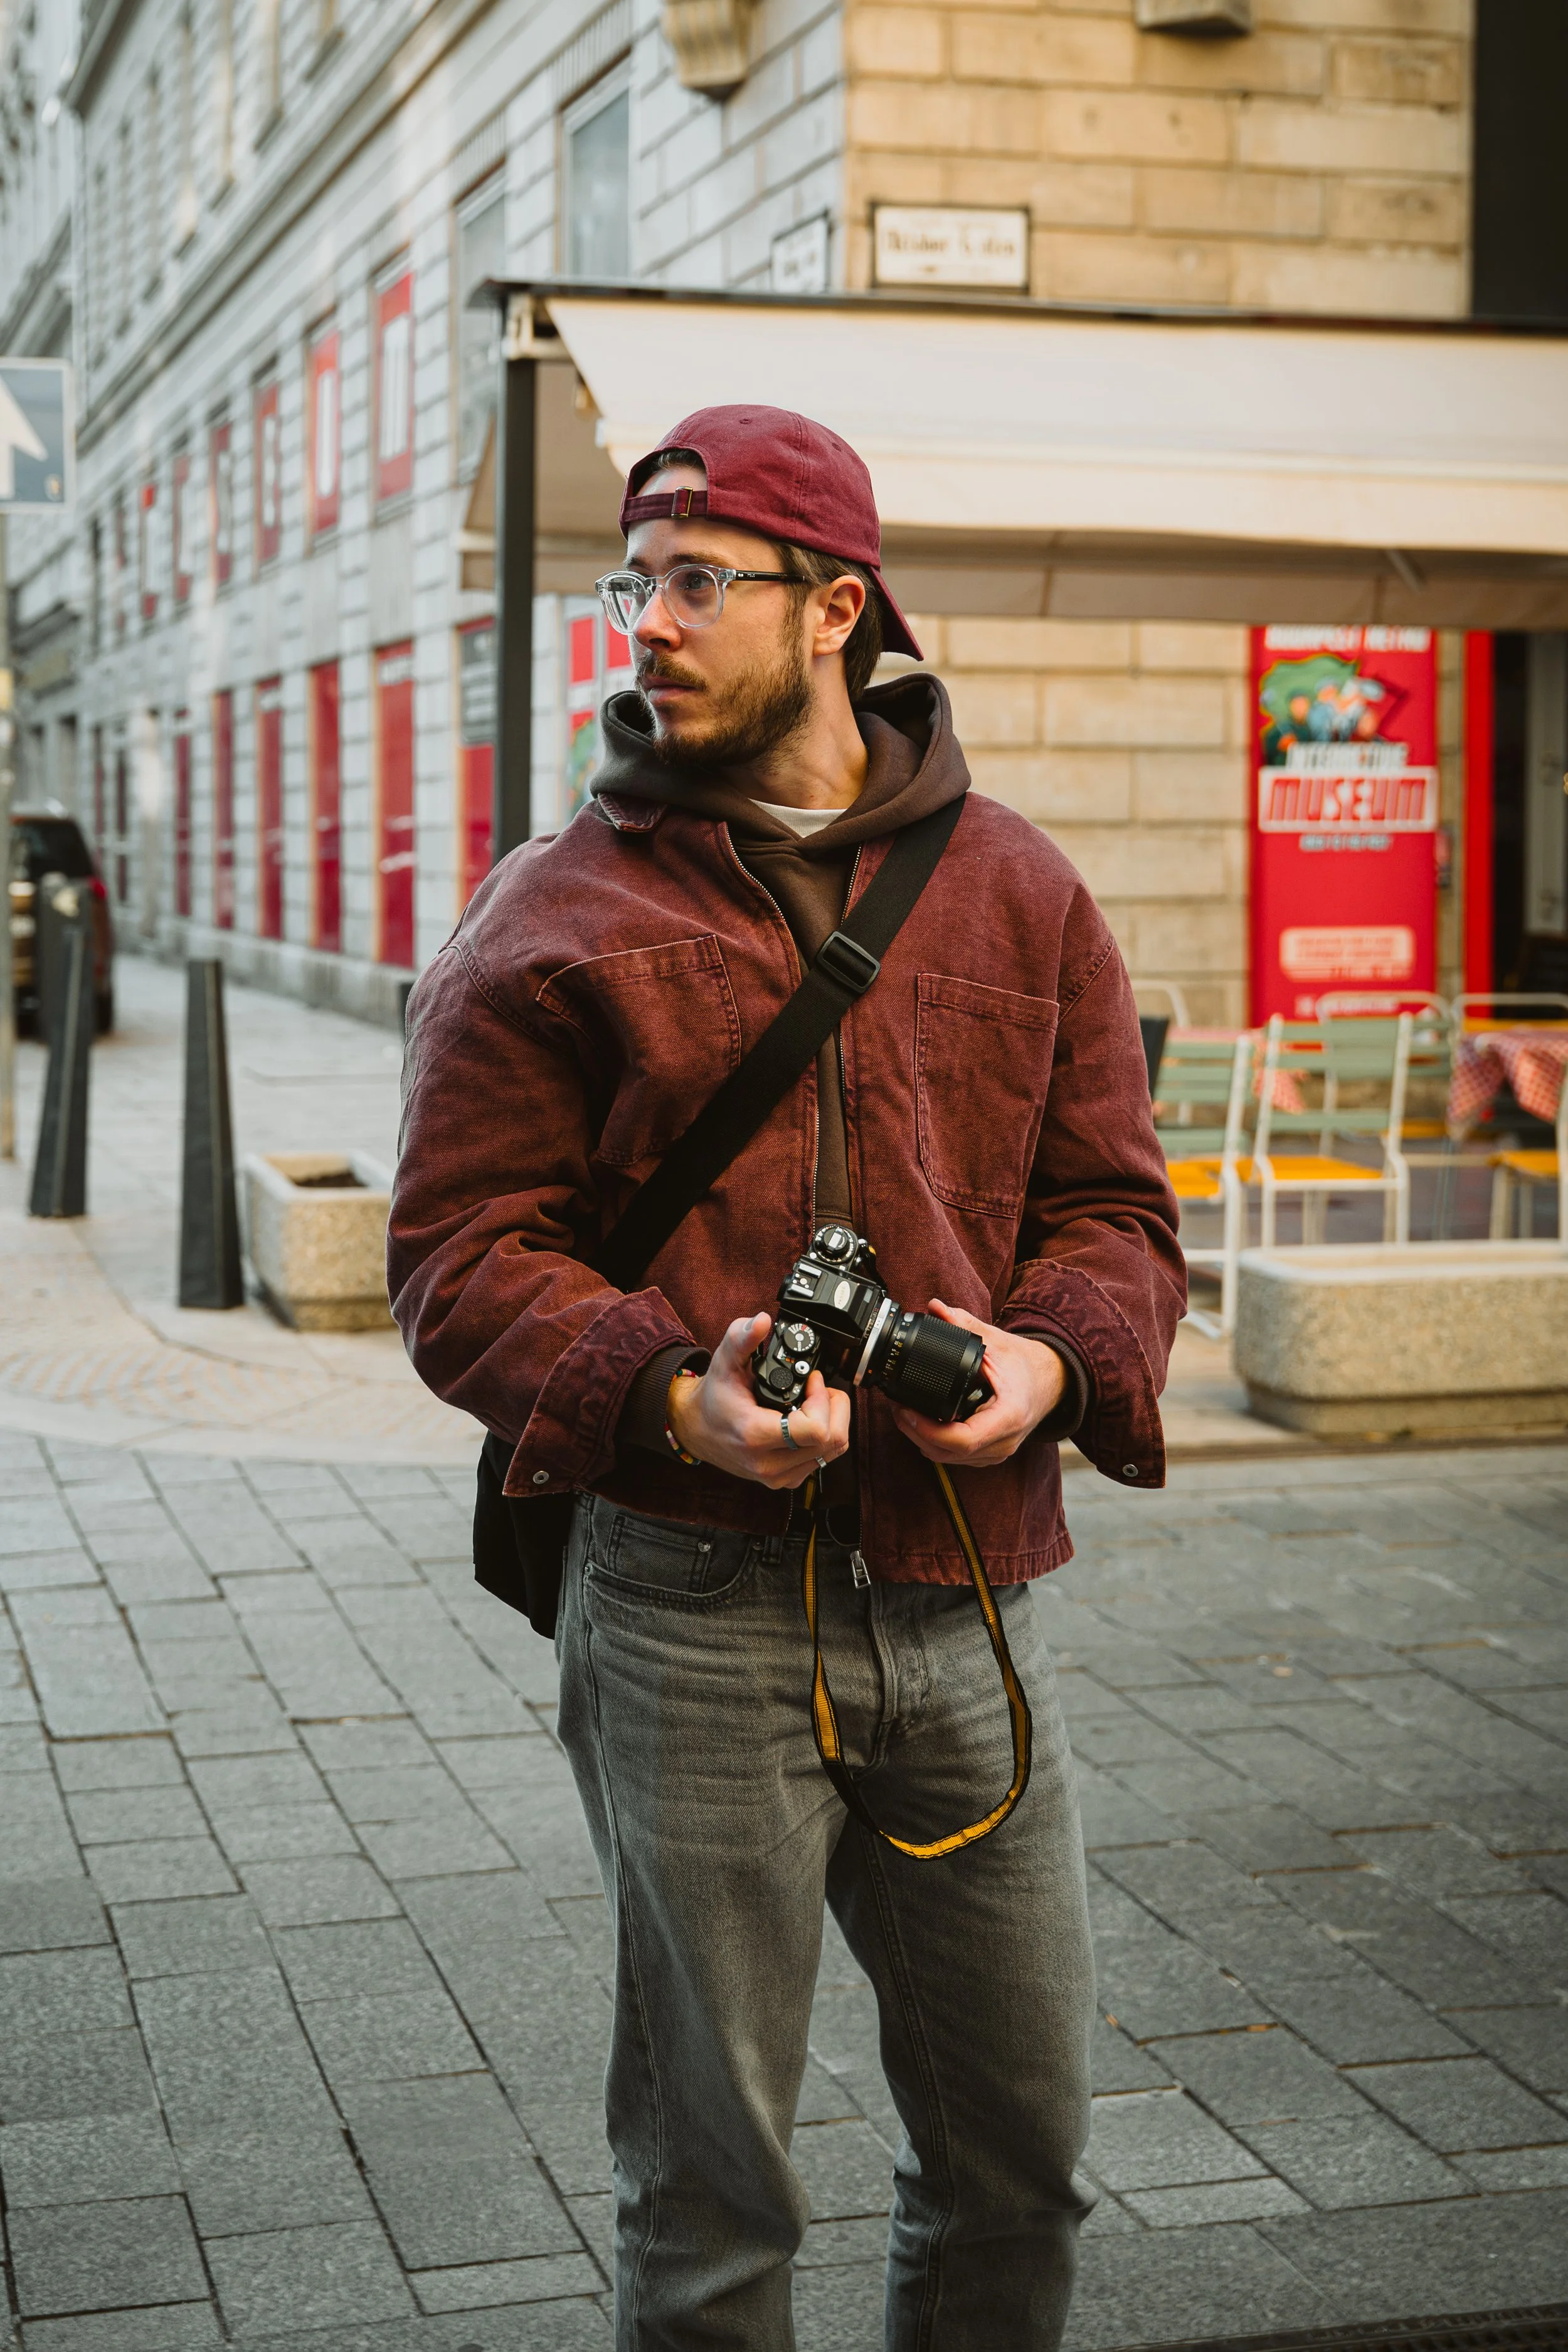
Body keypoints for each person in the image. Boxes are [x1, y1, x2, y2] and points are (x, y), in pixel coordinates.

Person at [389, 404, 1184, 2349]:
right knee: (712, 2194)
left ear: (836, 606)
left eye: (691, 581)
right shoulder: (551, 907)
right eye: (626, 582)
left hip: (966, 1595)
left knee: (1017, 2165)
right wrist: (671, 1391)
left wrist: (1050, 1361)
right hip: (682, 1609)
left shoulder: (1017, 888)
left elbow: (1116, 1213)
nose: (640, 623)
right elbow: (456, 1255)